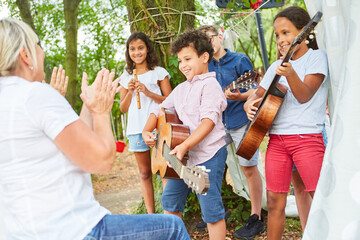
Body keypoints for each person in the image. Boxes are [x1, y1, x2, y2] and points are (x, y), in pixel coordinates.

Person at [0, 18, 190, 240]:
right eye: (38, 45)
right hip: (74, 230)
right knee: (173, 227)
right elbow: (100, 161)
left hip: (19, 232)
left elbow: (71, 146)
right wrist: (101, 112)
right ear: (25, 55)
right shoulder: (35, 94)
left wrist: (89, 108)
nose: (42, 52)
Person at [244, 6, 328, 239]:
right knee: (273, 202)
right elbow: (257, 95)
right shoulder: (275, 66)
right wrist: (247, 104)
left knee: (319, 197)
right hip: (276, 141)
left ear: (304, 33)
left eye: (286, 33)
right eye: (278, 34)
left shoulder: (316, 58)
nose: (281, 39)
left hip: (307, 139)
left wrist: (290, 74)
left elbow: (304, 95)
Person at [142, 29, 228, 240]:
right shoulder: (181, 88)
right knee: (170, 202)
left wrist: (185, 146)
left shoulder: (210, 86)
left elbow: (208, 122)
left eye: (188, 58)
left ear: (204, 57)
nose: (183, 65)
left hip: (208, 156)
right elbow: (160, 109)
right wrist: (146, 130)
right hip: (182, 158)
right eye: (180, 60)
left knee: (211, 211)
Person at [198, 25, 265, 239]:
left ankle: (257, 217)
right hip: (215, 125)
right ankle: (216, 212)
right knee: (212, 168)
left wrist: (240, 97)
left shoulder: (239, 60)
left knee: (249, 168)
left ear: (219, 37)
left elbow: (256, 89)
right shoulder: (204, 65)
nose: (208, 44)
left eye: (210, 38)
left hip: (240, 122)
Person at [119, 32, 172, 214]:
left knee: (164, 170)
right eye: (132, 49)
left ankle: (169, 212)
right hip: (136, 128)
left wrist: (148, 92)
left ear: (147, 49)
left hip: (159, 127)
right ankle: (151, 215)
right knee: (144, 173)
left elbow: (170, 100)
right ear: (128, 52)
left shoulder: (158, 72)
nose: (137, 52)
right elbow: (123, 108)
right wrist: (129, 92)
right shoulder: (126, 76)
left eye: (140, 48)